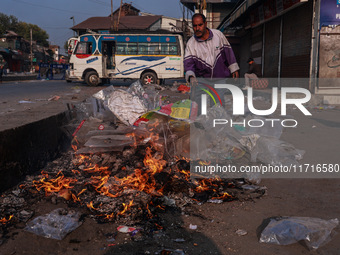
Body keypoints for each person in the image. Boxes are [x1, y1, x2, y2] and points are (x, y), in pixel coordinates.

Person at [184, 13, 239, 85]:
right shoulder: (191, 43)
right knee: (198, 96)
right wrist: (191, 76)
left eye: (200, 25)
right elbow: (188, 63)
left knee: (218, 96)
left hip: (219, 78)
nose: (197, 28)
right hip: (201, 80)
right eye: (195, 26)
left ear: (205, 24)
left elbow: (228, 52)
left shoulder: (218, 35)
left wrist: (234, 68)